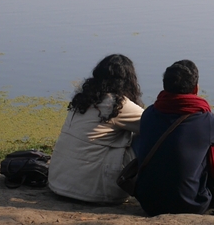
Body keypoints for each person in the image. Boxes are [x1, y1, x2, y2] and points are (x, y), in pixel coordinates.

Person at [132, 59, 214, 216]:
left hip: (149, 203)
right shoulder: (204, 121)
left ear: (165, 86)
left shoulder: (148, 114)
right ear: (196, 88)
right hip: (190, 205)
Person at [49, 54, 144, 205]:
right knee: (149, 136)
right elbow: (155, 124)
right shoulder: (116, 105)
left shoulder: (82, 100)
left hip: (58, 183)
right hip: (92, 191)